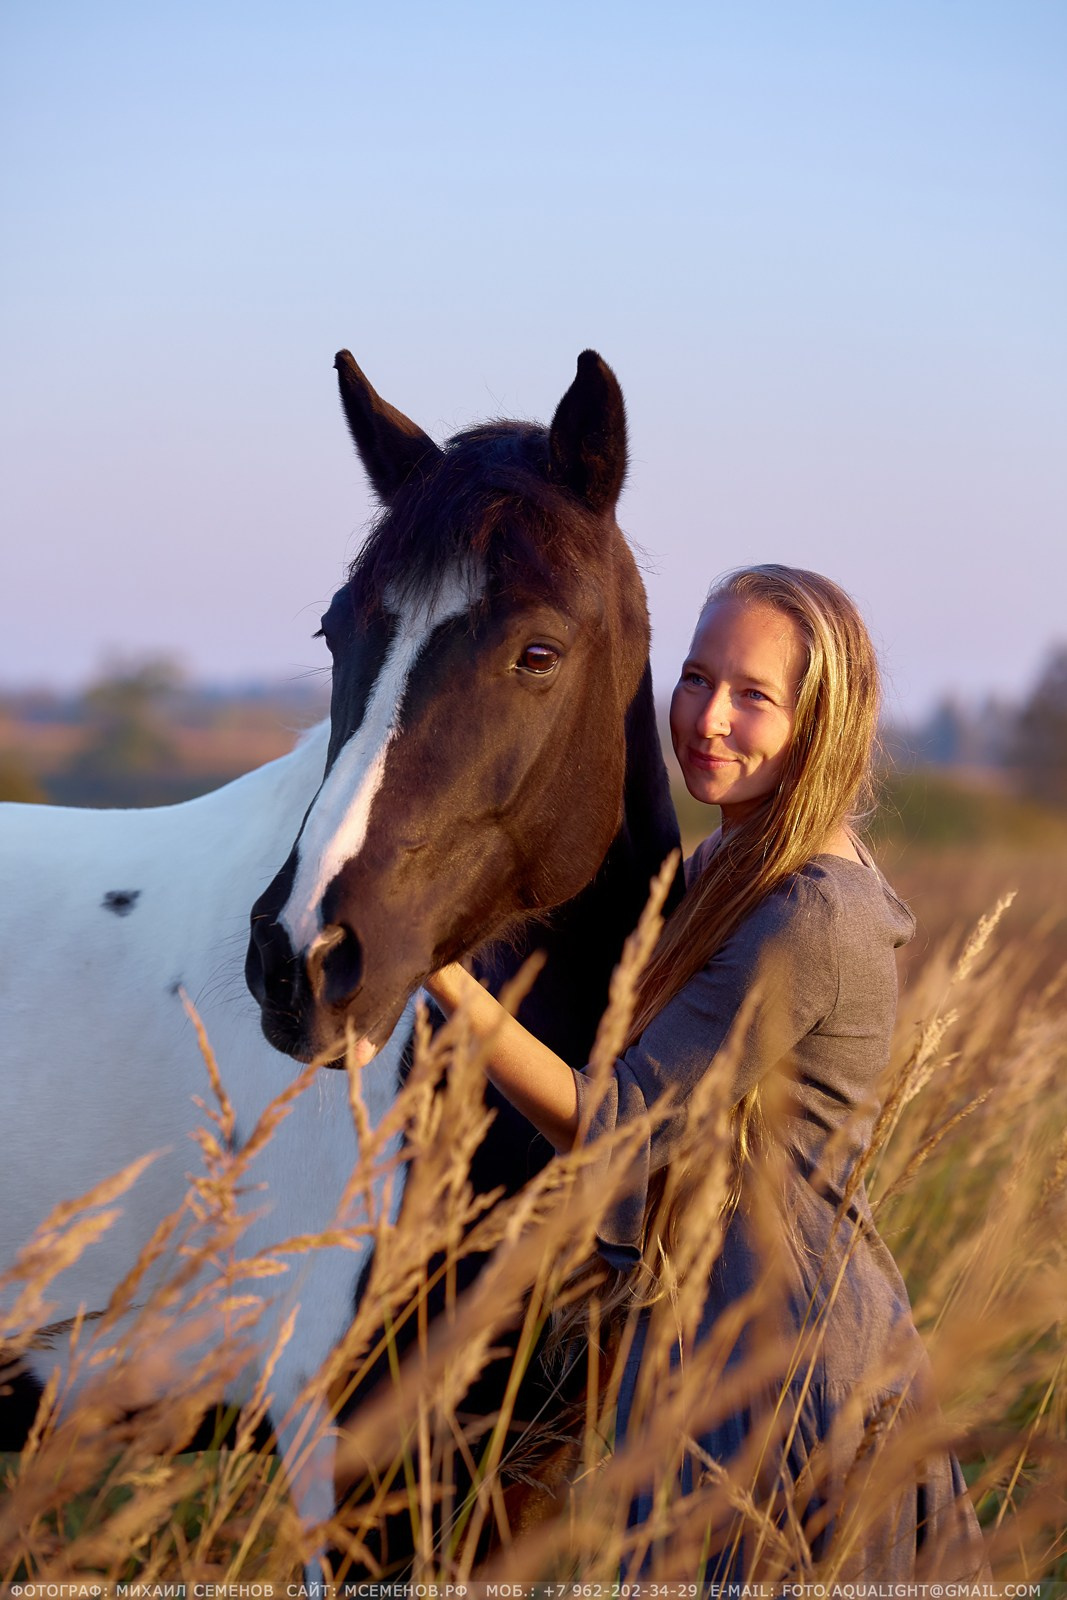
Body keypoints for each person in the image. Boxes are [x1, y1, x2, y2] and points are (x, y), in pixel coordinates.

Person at [424, 564, 988, 1581]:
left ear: (822, 720)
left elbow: (618, 1125)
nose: (706, 717)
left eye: (752, 695)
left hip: (787, 1363)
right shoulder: (723, 869)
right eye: (693, 676)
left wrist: (443, 982)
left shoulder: (806, 913)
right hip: (700, 1337)